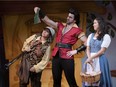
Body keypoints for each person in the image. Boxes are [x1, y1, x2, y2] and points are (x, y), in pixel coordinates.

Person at [34, 7, 87, 87]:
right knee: (56, 81)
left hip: (67, 58)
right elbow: (47, 21)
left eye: (70, 17)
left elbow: (87, 42)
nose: (68, 18)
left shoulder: (77, 30)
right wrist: (39, 11)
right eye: (68, 16)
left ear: (74, 20)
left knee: (71, 82)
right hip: (56, 57)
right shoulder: (60, 25)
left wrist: (76, 51)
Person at [84, 17, 112, 87]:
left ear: (100, 24)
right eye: (93, 23)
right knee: (89, 80)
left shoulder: (106, 36)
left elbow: (102, 51)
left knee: (99, 81)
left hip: (100, 60)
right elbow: (88, 48)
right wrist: (89, 58)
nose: (93, 25)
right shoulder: (91, 35)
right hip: (90, 59)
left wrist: (91, 58)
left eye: (95, 23)